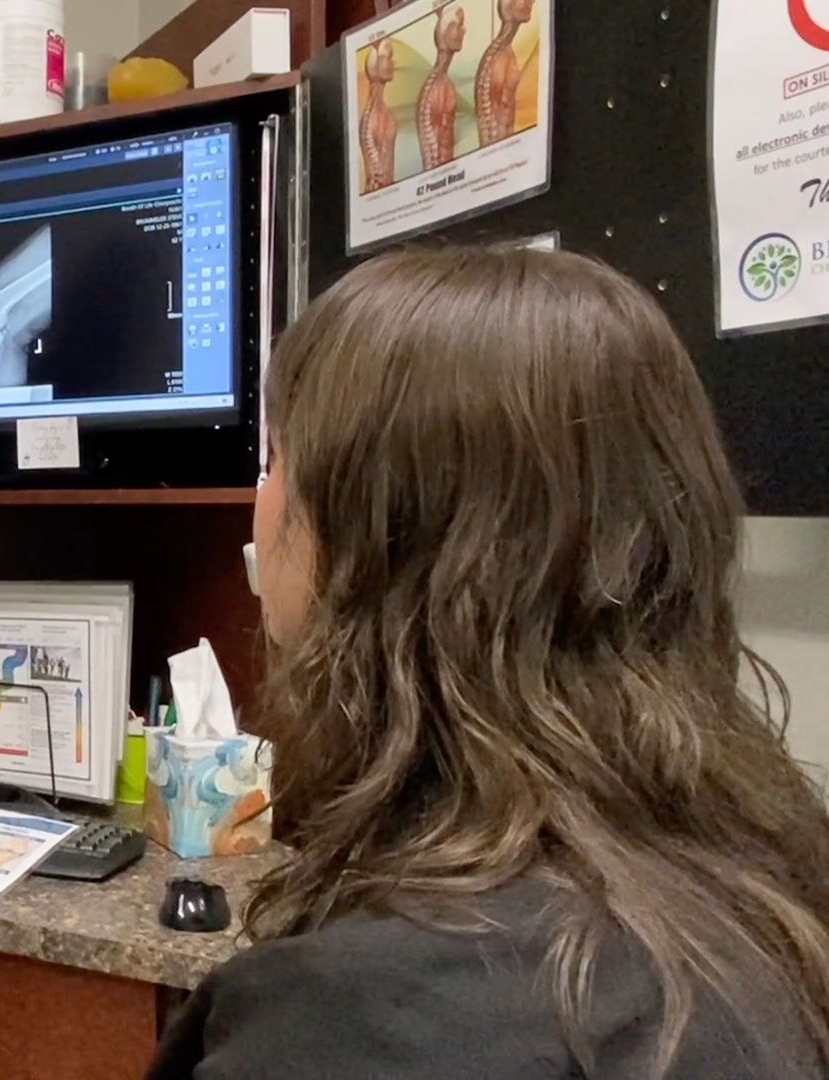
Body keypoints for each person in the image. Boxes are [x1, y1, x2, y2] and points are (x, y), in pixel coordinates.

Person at [148, 246, 829, 1079]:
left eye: (278, 458)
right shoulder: (770, 883)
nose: (265, 496)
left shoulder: (362, 1022)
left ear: (373, 538)